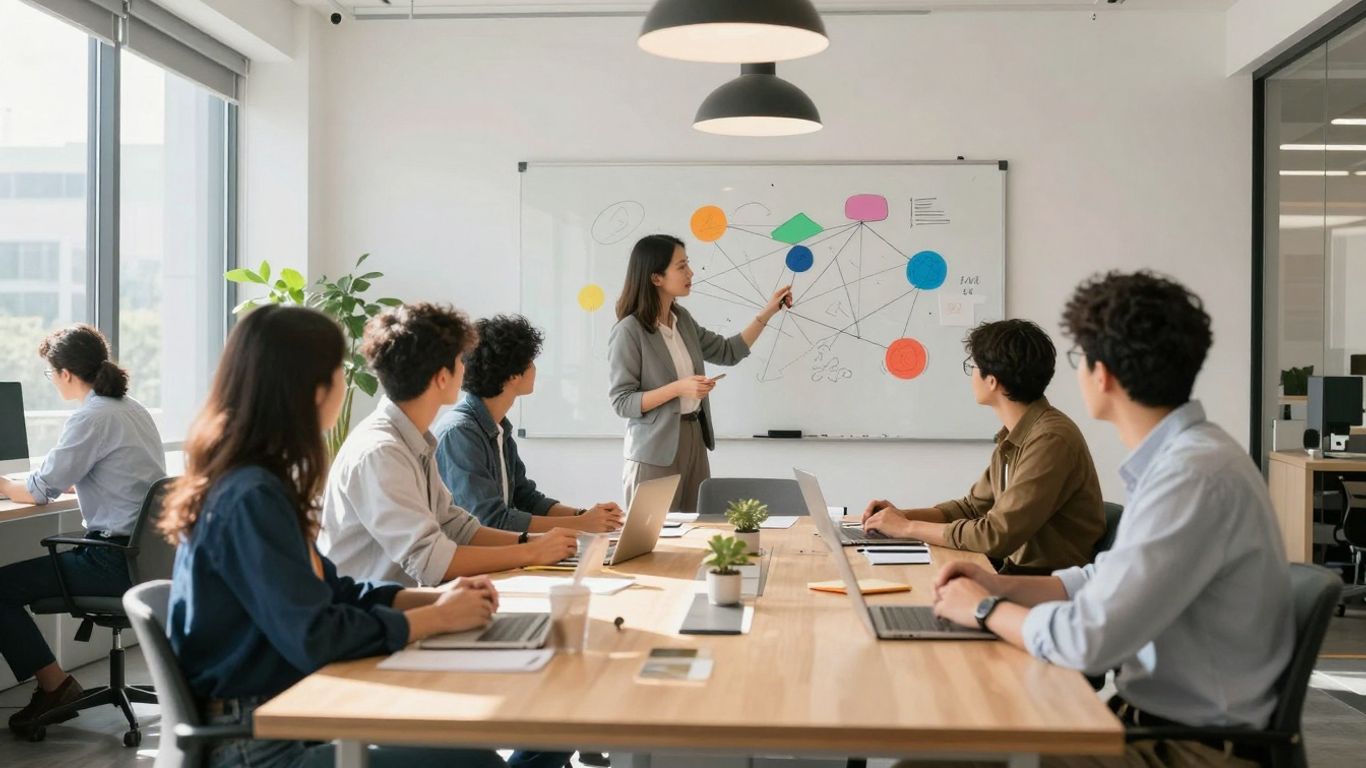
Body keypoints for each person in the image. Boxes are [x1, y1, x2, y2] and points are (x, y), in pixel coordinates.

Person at [931, 272, 1294, 767]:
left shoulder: (1192, 477)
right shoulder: (1186, 460)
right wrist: (996, 585)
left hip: (1190, 749)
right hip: (1149, 723)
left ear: (1101, 375)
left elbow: (1086, 642)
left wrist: (983, 609)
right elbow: (1102, 579)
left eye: (1078, 359)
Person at [162, 305, 507, 768]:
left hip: (282, 713)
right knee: (473, 763)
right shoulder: (251, 496)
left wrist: (433, 603)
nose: (346, 385)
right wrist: (437, 620)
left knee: (467, 751)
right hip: (261, 739)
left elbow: (332, 593)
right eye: (337, 372)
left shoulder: (256, 481)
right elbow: (316, 635)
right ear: (312, 389)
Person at [320, 303, 580, 588]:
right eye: (460, 360)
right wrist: (531, 552)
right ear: (442, 377)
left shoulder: (413, 439)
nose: (467, 367)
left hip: (413, 605)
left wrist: (533, 542)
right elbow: (430, 562)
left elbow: (456, 526)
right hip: (380, 619)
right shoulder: (382, 452)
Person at [0, 324, 164, 736]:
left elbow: (39, 491)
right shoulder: (132, 408)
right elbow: (124, 475)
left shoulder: (92, 416)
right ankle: (56, 685)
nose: (52, 381)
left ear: (66, 373)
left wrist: (4, 486)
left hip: (110, 561)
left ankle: (55, 686)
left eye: (49, 373)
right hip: (149, 558)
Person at [862, 319, 1104, 574]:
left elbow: (996, 536)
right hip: (1016, 573)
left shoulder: (1050, 439)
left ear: (992, 381)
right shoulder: (1016, 436)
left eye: (973, 366)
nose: (972, 375)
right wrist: (901, 516)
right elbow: (971, 508)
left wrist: (907, 529)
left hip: (1044, 584)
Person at [609, 234, 792, 511]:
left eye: (688, 264)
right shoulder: (628, 331)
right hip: (654, 450)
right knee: (655, 539)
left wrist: (768, 312)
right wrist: (679, 388)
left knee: (696, 532)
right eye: (681, 266)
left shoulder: (682, 320)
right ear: (656, 277)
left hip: (694, 438)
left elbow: (728, 352)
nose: (690, 272)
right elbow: (623, 402)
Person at [434, 314, 624, 535]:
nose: (535, 369)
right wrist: (582, 525)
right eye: (531, 362)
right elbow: (490, 521)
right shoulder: (460, 433)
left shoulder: (498, 427)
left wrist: (584, 515)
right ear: (514, 375)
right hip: (472, 563)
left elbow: (526, 499)